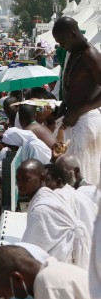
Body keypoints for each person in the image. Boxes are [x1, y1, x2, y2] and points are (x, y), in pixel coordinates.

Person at [52, 16, 101, 185]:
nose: (61, 46)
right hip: (72, 118)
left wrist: (79, 111)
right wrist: (63, 109)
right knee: (68, 173)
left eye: (62, 41)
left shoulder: (91, 54)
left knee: (83, 174)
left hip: (86, 120)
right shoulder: (73, 53)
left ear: (73, 34)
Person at [17, 159, 90, 267]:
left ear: (42, 178)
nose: (20, 184)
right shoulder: (48, 198)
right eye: (17, 179)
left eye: (26, 179)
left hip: (61, 271)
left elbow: (27, 254)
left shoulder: (42, 208)